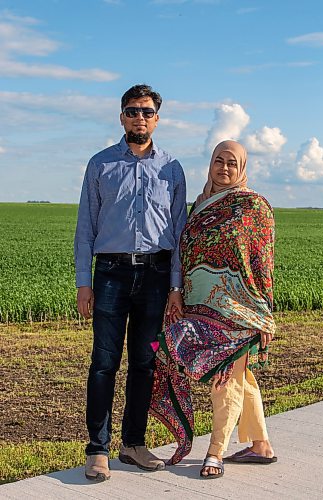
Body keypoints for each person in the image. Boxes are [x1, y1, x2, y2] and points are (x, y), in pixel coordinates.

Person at [74, 84, 187, 481]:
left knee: (146, 361)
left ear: (158, 118)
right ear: (121, 116)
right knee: (104, 362)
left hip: (157, 278)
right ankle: (98, 448)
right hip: (110, 275)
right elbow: (85, 228)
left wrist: (175, 287)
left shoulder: (172, 168)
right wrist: (83, 283)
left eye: (147, 111)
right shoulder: (100, 164)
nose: (140, 117)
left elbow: (178, 231)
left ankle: (133, 444)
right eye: (132, 110)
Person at [149, 140, 277, 479]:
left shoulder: (253, 207)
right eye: (218, 161)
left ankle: (215, 452)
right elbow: (183, 251)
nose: (224, 168)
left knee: (225, 380)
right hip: (196, 308)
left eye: (232, 163)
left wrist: (264, 314)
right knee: (238, 376)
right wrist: (176, 294)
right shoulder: (200, 205)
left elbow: (263, 263)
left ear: (242, 168)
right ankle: (261, 444)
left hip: (240, 310)